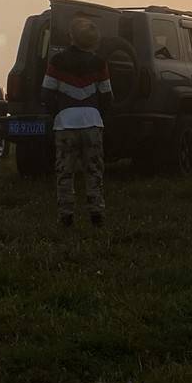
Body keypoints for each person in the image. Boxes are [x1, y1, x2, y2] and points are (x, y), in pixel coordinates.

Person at [40, 15, 112, 228]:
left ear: (71, 37)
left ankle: (66, 215)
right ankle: (96, 214)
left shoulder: (57, 61)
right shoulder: (99, 63)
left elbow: (46, 94)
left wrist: (59, 113)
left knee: (65, 171)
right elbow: (107, 96)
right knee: (94, 171)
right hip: (92, 122)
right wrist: (98, 114)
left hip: (65, 124)